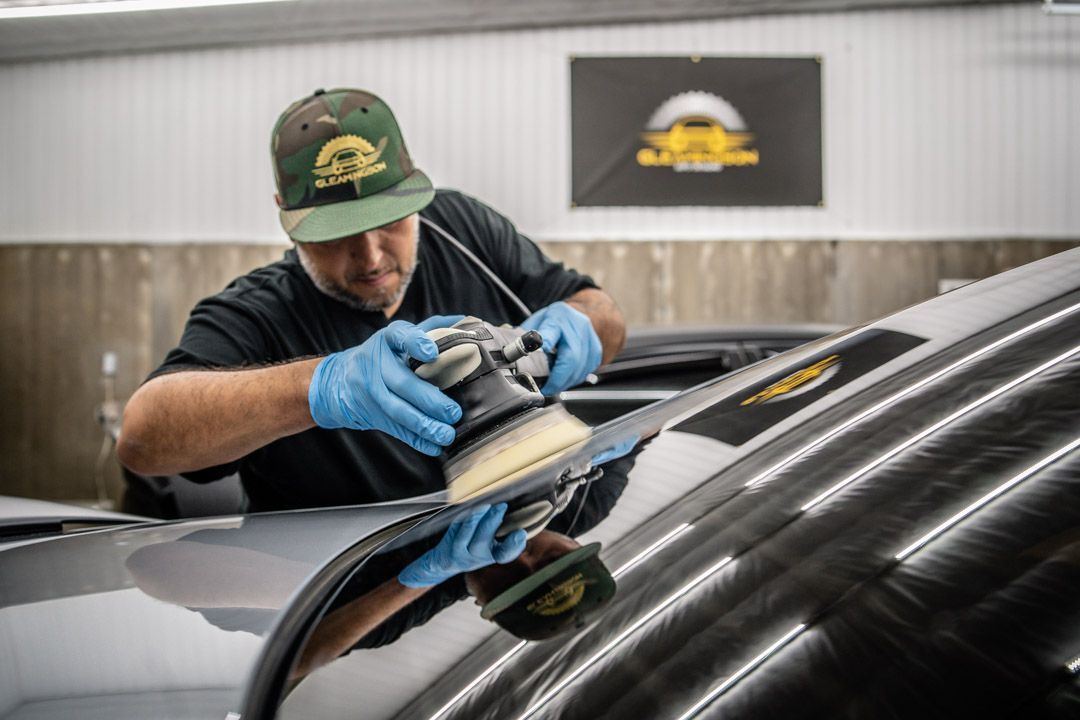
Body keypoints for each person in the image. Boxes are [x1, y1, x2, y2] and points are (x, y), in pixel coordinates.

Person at [116, 87, 626, 512]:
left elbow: (603, 313)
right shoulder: (256, 315)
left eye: (389, 221)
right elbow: (142, 439)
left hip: (504, 552)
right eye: (337, 234)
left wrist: (581, 323)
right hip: (341, 600)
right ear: (286, 216)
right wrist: (319, 389)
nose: (372, 256)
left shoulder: (464, 230)